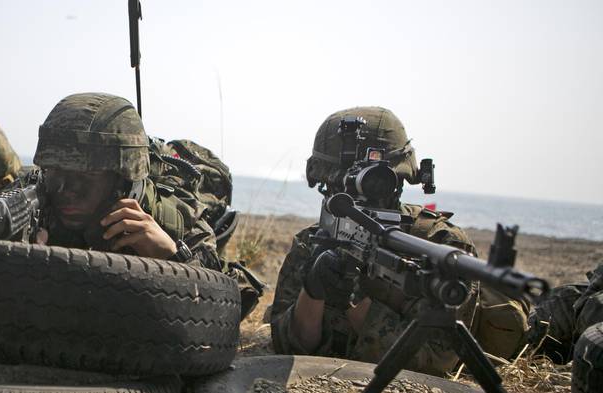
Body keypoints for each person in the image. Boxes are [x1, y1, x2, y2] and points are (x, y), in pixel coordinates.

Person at [269, 106, 479, 377]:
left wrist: (364, 299)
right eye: (340, 188)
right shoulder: (313, 241)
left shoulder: (439, 247)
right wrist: (313, 291)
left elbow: (436, 363)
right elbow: (284, 346)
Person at [31, 92, 223, 270]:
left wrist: (171, 256)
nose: (67, 189)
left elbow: (217, 290)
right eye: (55, 171)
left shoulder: (180, 222)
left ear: (125, 183)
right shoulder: (32, 202)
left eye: (88, 174)